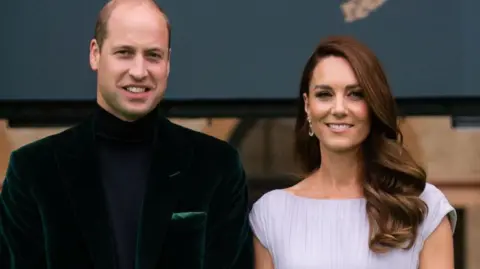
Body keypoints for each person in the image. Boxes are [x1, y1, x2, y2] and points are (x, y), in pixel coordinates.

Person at [0, 1, 253, 268]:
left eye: (153, 55)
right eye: (124, 52)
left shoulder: (217, 166)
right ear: (95, 54)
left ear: (168, 62)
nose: (139, 71)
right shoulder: (33, 170)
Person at [249, 36, 456, 269]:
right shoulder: (271, 212)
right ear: (307, 105)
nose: (339, 109)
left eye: (355, 94)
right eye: (324, 94)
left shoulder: (423, 205)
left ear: (374, 105)